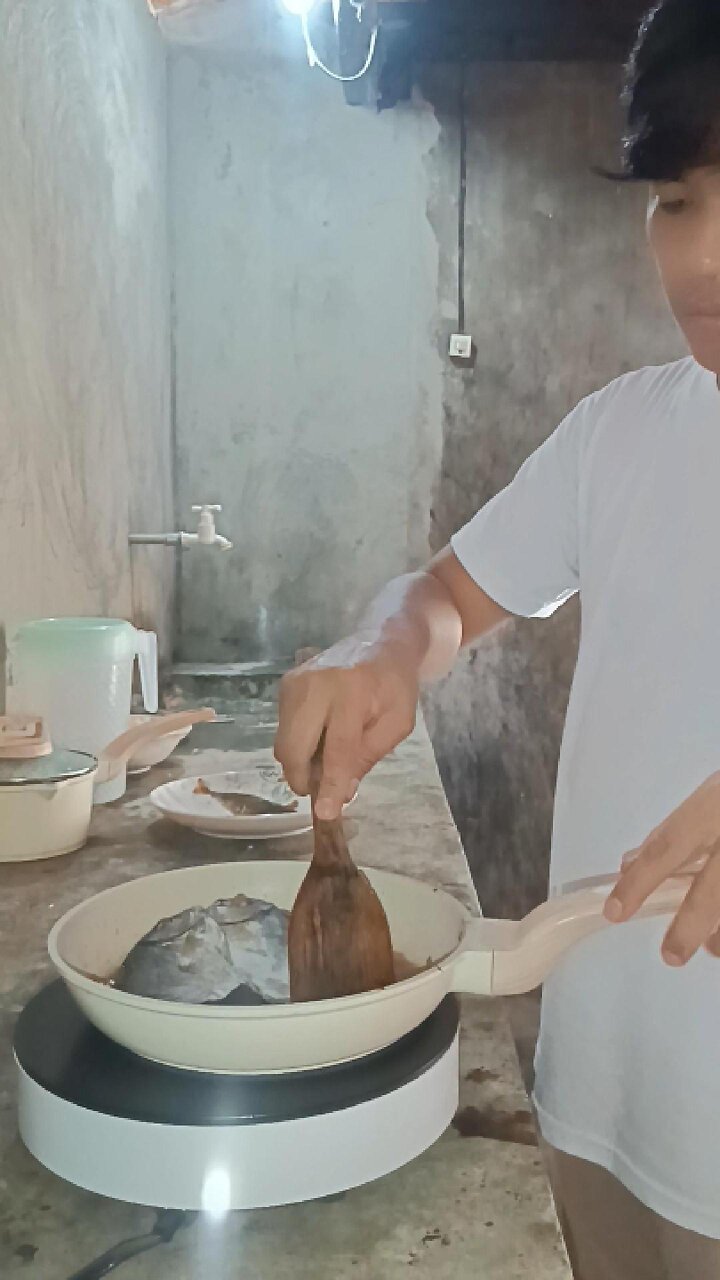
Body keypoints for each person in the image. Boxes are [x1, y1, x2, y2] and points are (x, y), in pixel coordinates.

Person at [275, 2, 720, 1275]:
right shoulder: (625, 432)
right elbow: (447, 596)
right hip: (596, 1085)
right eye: (677, 198)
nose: (701, 258)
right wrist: (382, 650)